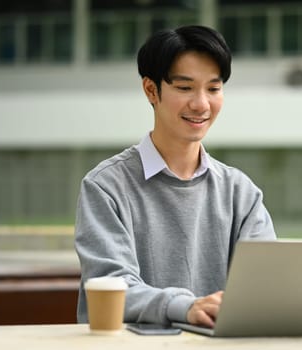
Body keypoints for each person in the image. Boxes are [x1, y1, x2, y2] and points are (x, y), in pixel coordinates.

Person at [74, 25, 276, 328]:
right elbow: (113, 288)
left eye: (213, 88)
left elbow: (268, 284)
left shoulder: (240, 191)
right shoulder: (105, 186)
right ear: (151, 90)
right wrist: (186, 307)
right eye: (185, 88)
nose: (201, 104)